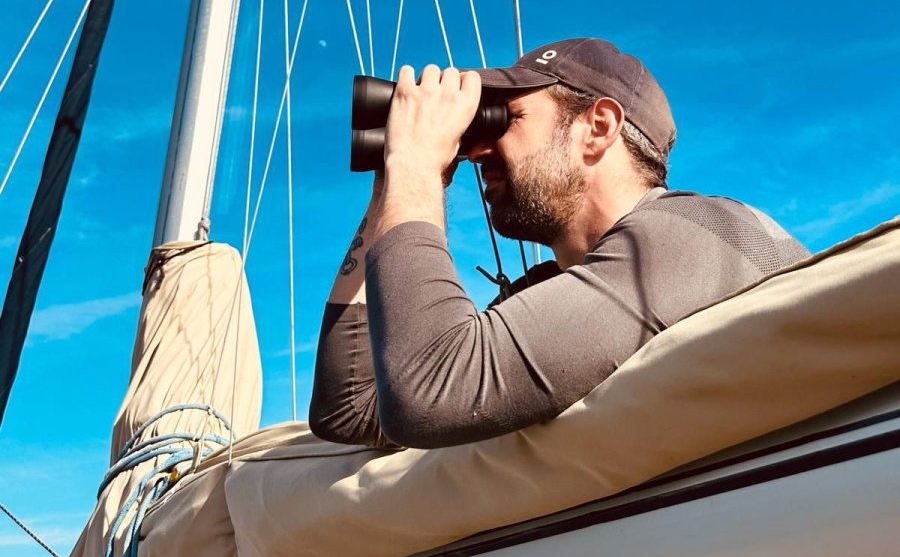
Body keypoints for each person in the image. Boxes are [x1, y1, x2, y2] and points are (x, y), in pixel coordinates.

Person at [310, 37, 809, 449]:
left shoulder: (690, 236)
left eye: (505, 118)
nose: (478, 148)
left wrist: (416, 165)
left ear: (598, 128)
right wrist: (391, 185)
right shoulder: (569, 287)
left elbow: (429, 392)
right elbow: (348, 410)